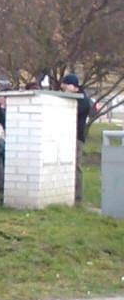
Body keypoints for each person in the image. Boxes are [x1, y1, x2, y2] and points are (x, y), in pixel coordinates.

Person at [60, 74, 92, 204]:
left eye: (66, 86)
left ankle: (77, 197)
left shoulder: (83, 101)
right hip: (67, 136)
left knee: (76, 166)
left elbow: (73, 112)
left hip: (76, 137)